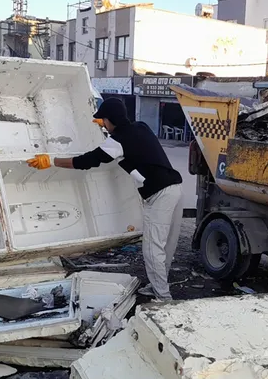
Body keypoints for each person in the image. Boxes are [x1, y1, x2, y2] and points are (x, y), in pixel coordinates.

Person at [26, 98, 183, 301]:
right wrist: (107, 125)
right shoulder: (141, 126)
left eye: (103, 120)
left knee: (153, 249)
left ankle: (163, 299)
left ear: (109, 120)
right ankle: (157, 287)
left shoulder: (117, 141)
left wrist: (51, 161)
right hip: (176, 187)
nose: (102, 124)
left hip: (160, 194)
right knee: (166, 245)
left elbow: (86, 161)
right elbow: (128, 136)